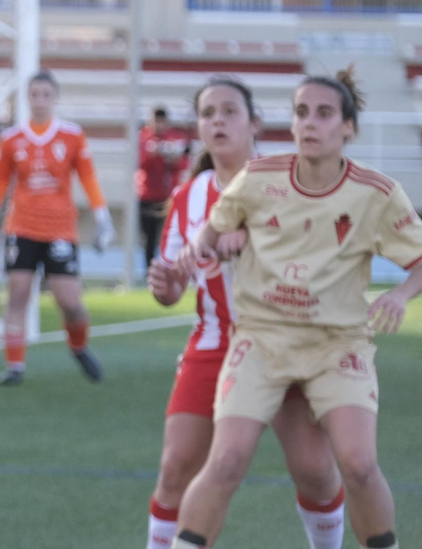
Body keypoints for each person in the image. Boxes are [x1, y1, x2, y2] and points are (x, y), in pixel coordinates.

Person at [170, 68, 422, 549]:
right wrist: (203, 244)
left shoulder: (377, 193)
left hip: (336, 345)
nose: (309, 123)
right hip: (261, 339)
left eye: (324, 114)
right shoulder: (259, 177)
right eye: (301, 112)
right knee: (225, 462)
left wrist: (399, 294)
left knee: (358, 465)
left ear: (348, 127)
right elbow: (215, 224)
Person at [143, 76, 344, 549]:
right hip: (215, 342)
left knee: (316, 471)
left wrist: (252, 241)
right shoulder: (189, 196)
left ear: (255, 122)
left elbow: (319, 257)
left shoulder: (291, 180)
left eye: (229, 111)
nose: (218, 121)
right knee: (175, 469)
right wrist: (168, 285)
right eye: (208, 113)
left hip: (286, 342)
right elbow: (173, 284)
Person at [0, 69, 115, 386]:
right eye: (34, 94)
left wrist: (103, 218)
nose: (40, 100)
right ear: (27, 98)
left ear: (56, 98)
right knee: (17, 294)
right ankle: (15, 367)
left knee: (70, 302)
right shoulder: (11, 139)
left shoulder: (72, 136)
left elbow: (87, 177)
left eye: (46, 94)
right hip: (21, 226)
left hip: (61, 229)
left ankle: (78, 346)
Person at [138, 105, 192, 271]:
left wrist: (172, 158)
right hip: (147, 195)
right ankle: (150, 272)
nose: (159, 125)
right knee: (149, 237)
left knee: (171, 235)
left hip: (169, 196)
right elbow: (139, 163)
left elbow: (183, 164)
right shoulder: (143, 138)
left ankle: (171, 269)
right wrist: (152, 153)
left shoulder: (175, 138)